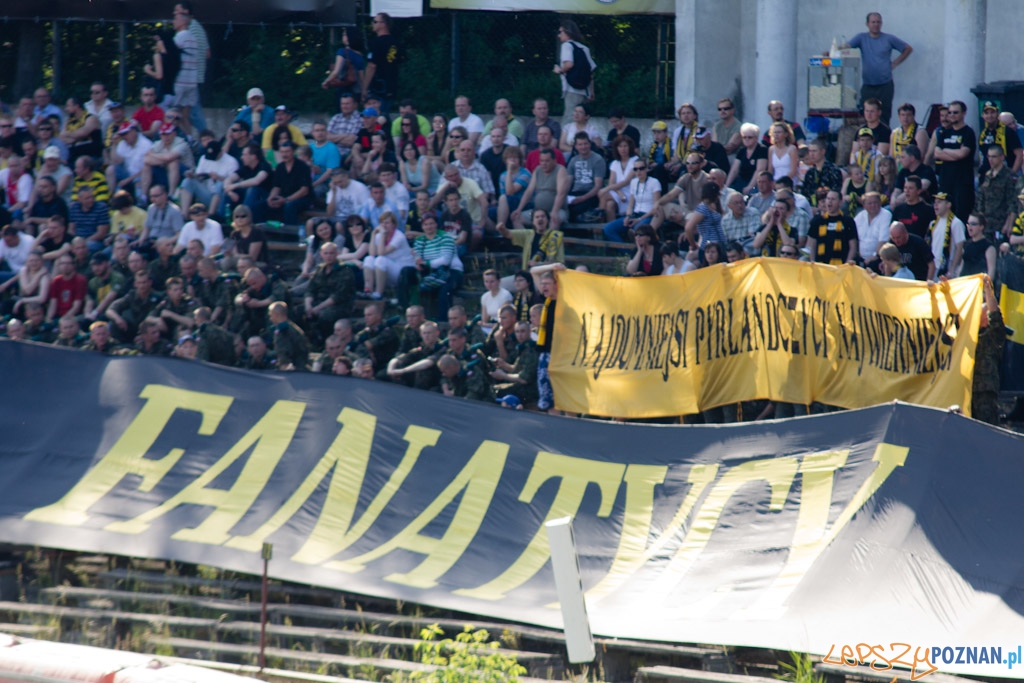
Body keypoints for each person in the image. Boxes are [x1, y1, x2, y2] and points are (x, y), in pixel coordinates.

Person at [843, 13, 912, 124]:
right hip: (868, 84)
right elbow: (846, 47)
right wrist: (832, 51)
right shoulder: (861, 38)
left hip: (885, 84)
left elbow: (907, 48)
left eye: (878, 22)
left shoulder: (888, 38)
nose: (876, 24)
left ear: (881, 23)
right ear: (867, 24)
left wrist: (895, 63)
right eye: (873, 22)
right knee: (865, 115)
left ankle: (884, 139)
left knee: (884, 115)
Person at [410, 212, 463, 318]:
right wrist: (418, 263)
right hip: (432, 272)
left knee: (444, 289)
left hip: (451, 271)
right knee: (409, 274)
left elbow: (445, 260)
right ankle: (413, 312)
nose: (428, 226)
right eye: (426, 224)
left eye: (431, 223)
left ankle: (442, 320)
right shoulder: (419, 240)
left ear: (436, 224)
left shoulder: (446, 237)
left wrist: (426, 264)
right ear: (422, 226)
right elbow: (417, 257)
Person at [932, 100, 976, 223]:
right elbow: (937, 153)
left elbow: (963, 154)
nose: (951, 115)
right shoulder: (944, 132)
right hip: (946, 181)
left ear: (963, 113)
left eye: (955, 112)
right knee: (944, 216)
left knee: (961, 216)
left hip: (962, 182)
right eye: (950, 112)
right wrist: (955, 154)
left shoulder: (968, 132)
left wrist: (945, 151)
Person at [603, 159, 661, 243]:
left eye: (641, 168)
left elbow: (656, 207)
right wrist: (628, 216)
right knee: (608, 228)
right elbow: (631, 204)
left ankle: (638, 252)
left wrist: (640, 219)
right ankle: (626, 252)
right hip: (635, 214)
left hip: (648, 215)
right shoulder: (634, 182)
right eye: (635, 169)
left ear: (646, 169)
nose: (638, 171)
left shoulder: (654, 182)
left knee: (637, 229)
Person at [363, 211, 414, 301]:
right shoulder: (380, 235)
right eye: (382, 223)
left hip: (402, 271)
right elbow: (372, 253)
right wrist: (373, 234)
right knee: (368, 259)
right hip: (386, 271)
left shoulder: (399, 236)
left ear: (393, 224)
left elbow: (382, 252)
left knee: (380, 260)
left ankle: (378, 294)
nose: (384, 225)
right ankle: (368, 291)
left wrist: (382, 234)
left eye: (387, 223)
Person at [497, 207, 564, 273]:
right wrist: (501, 228)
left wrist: (539, 264)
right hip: (528, 276)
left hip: (547, 277)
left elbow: (559, 262)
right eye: (537, 217)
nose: (540, 219)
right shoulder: (528, 234)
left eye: (543, 216)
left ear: (547, 220)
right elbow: (507, 234)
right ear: (533, 222)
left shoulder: (555, 236)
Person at [554, 19, 595, 123]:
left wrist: (559, 70)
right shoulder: (584, 48)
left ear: (568, 32)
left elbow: (569, 64)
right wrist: (591, 91)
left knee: (569, 119)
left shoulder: (566, 46)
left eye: (560, 32)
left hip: (572, 89)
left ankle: (567, 140)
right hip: (584, 90)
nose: (559, 35)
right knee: (582, 121)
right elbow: (590, 72)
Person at [976, 145, 1017, 241]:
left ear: (1002, 157)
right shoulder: (988, 175)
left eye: (994, 156)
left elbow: (1013, 202)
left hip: (1001, 223)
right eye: (989, 156)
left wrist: (1009, 223)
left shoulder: (1009, 176)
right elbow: (981, 197)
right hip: (986, 224)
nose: (990, 159)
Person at [265, 141, 311, 225]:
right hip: (284, 196)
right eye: (282, 152)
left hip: (302, 199)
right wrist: (271, 197)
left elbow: (304, 190)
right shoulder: (280, 167)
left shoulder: (302, 166)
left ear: (293, 152)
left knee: (289, 205)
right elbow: (276, 187)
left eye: (287, 152)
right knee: (261, 205)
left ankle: (290, 235)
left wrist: (286, 200)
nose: (284, 154)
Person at [806, 190, 857, 265]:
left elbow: (853, 246)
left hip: (840, 266)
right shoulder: (817, 221)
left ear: (840, 202)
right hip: (821, 265)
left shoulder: (848, 221)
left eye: (833, 199)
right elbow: (812, 245)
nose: (829, 202)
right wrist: (812, 262)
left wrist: (847, 265)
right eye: (828, 199)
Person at [363, 13, 400, 115]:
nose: (372, 24)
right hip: (391, 86)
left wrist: (364, 88)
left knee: (374, 116)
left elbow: (372, 66)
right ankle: (381, 130)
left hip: (378, 87)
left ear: (383, 24)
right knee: (384, 115)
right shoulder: (396, 43)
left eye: (375, 21)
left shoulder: (376, 43)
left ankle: (377, 130)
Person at [224, 143, 273, 219]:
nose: (241, 157)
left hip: (264, 197)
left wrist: (235, 185)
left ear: (253, 156)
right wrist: (230, 192)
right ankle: (223, 219)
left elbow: (256, 181)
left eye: (244, 155)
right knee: (229, 191)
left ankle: (245, 217)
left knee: (252, 189)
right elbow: (228, 179)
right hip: (249, 197)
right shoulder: (245, 167)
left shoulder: (264, 166)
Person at [564, 133, 606, 222]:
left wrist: (582, 198)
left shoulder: (598, 160)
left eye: (585, 144)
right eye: (580, 144)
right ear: (575, 146)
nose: (583, 147)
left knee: (575, 210)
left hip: (591, 194)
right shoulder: (573, 160)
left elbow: (598, 186)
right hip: (575, 193)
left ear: (590, 144)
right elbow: (568, 183)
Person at [599, 135, 638, 222]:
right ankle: (609, 229)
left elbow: (626, 181)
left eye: (625, 146)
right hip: (618, 193)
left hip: (631, 193)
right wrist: (619, 193)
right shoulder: (615, 163)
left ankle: (598, 224)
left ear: (629, 147)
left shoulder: (635, 160)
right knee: (609, 204)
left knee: (603, 194)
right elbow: (611, 182)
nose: (623, 149)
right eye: (620, 146)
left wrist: (606, 189)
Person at [725, 123, 767, 194]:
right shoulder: (742, 151)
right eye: (744, 137)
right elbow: (734, 170)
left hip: (756, 183)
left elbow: (760, 170)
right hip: (741, 181)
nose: (747, 139)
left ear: (756, 138)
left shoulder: (762, 150)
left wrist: (750, 186)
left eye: (750, 137)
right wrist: (726, 186)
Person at [753, 192, 798, 257]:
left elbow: (789, 244)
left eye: (781, 209)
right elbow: (756, 245)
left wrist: (779, 224)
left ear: (787, 213)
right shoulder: (763, 228)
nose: (777, 211)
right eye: (776, 208)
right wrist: (770, 223)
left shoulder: (792, 230)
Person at [853, 191, 891, 268]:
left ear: (880, 203)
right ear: (864, 205)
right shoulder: (860, 216)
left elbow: (883, 240)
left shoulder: (886, 215)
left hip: (878, 257)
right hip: (860, 257)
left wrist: (875, 256)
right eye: (869, 203)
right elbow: (853, 236)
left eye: (875, 202)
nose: (873, 205)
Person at [891, 176, 935, 240]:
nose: (907, 191)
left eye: (910, 188)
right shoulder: (898, 209)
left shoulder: (928, 210)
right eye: (905, 188)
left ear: (919, 191)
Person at [961, 213, 996, 280]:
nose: (969, 227)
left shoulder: (988, 246)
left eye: (973, 224)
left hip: (978, 285)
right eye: (968, 224)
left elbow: (991, 271)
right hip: (965, 283)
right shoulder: (966, 244)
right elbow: (962, 265)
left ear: (981, 227)